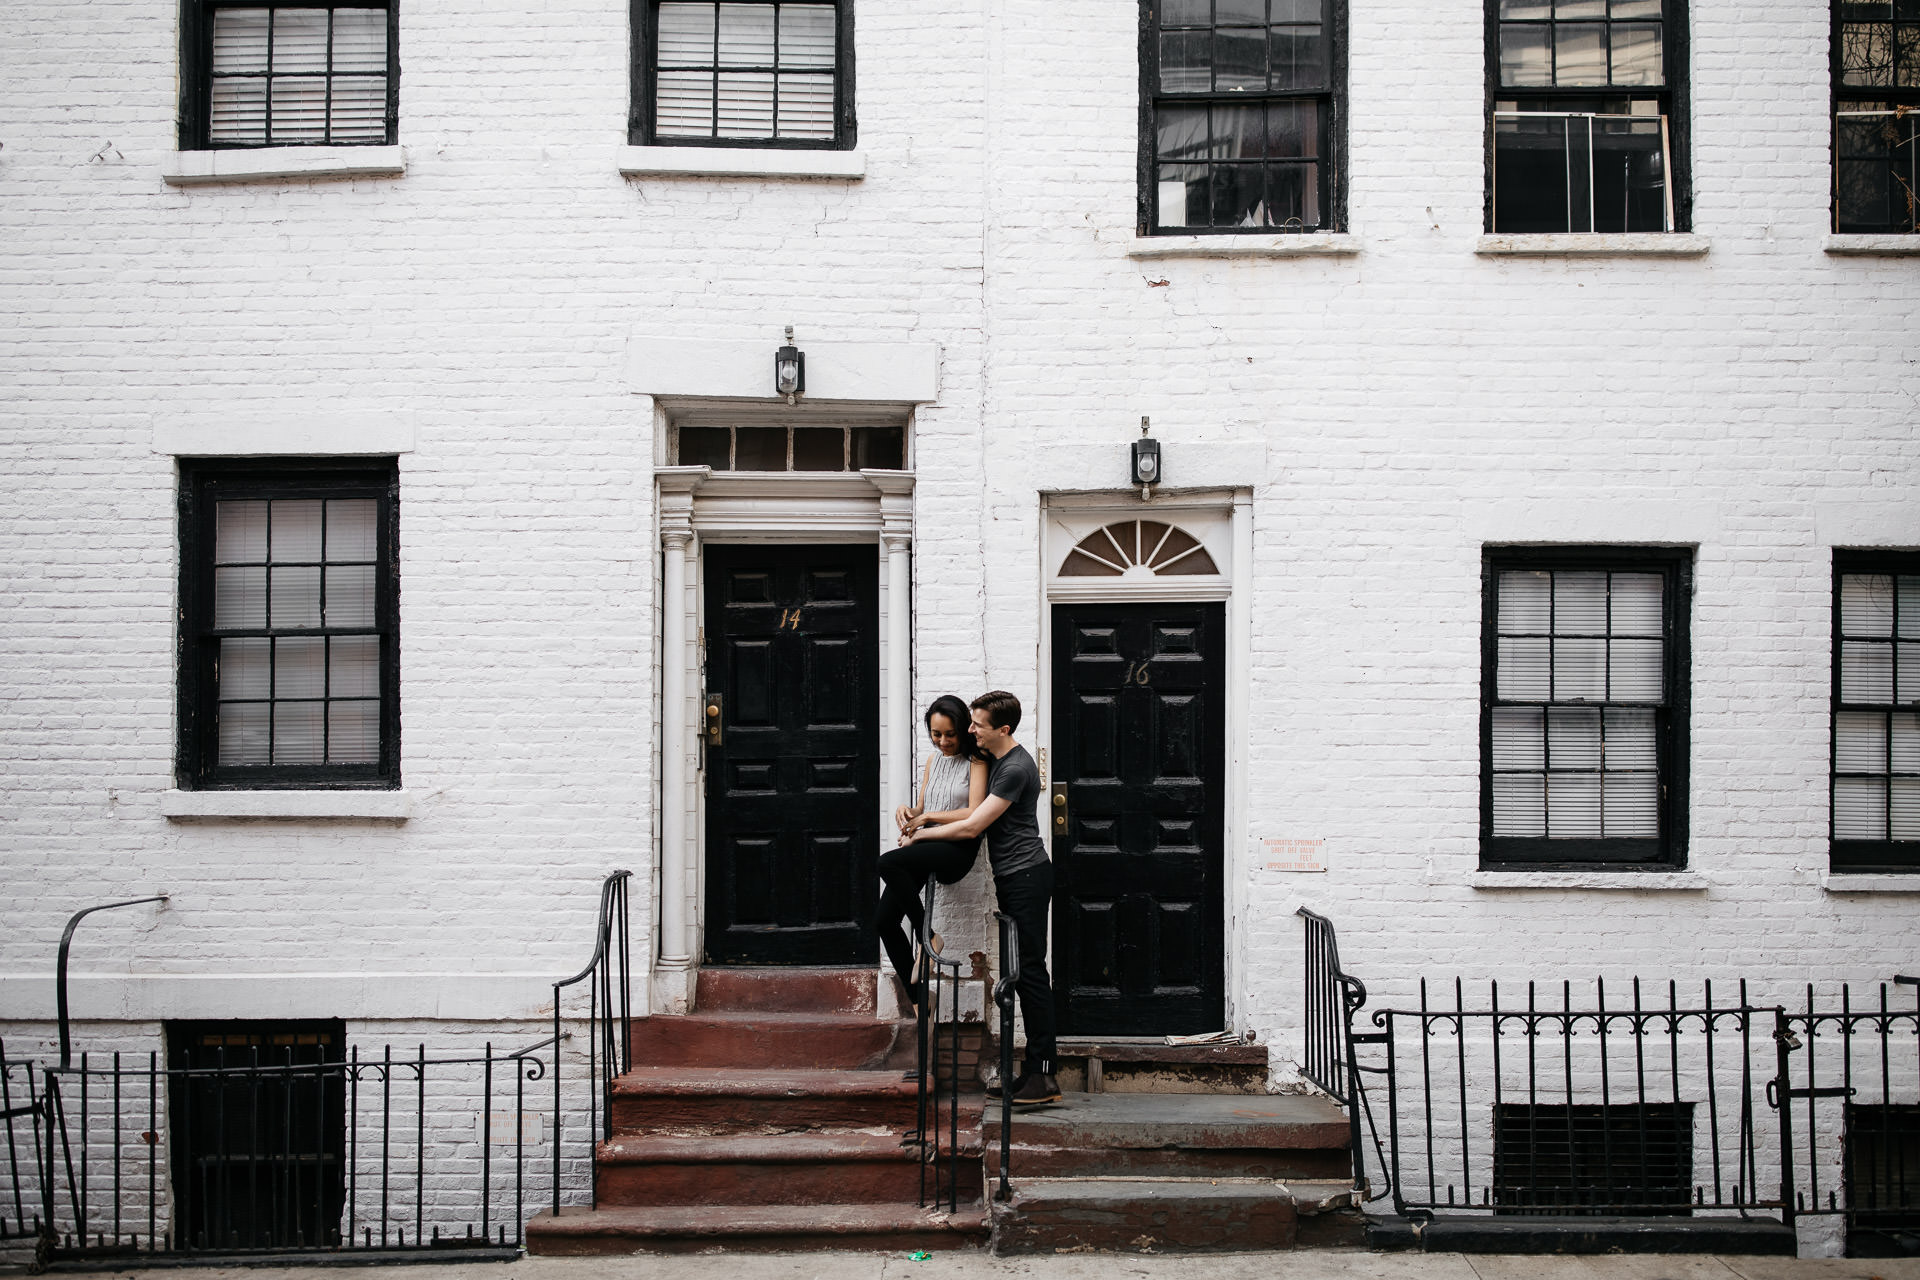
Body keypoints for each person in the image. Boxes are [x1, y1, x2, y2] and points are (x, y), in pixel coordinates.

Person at [898, 689, 1059, 1106]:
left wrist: (922, 833)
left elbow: (972, 827)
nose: (970, 730)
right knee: (1020, 973)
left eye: (977, 725)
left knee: (1030, 971)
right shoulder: (1004, 761)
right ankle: (1030, 1074)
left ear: (1002, 729)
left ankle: (1043, 1076)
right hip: (1014, 876)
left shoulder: (1015, 769)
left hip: (1026, 876)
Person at [877, 696, 988, 1012]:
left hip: (957, 849)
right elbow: (924, 807)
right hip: (928, 846)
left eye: (949, 734)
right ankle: (918, 1002)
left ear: (963, 730)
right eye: (936, 735)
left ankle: (929, 937)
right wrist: (909, 811)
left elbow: (974, 811)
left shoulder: (977, 761)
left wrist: (926, 819)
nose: (943, 742)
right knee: (883, 921)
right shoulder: (932, 761)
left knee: (886, 861)